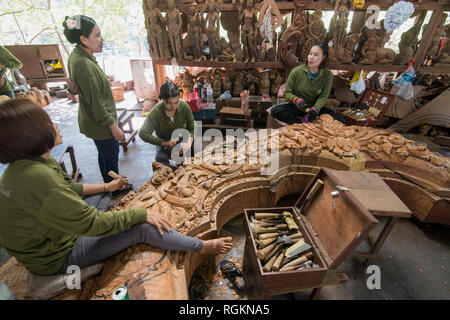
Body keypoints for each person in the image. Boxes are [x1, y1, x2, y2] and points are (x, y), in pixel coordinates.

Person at [0, 98, 233, 277]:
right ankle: (201, 247)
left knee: (114, 206)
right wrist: (142, 214)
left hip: (52, 237)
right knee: (143, 226)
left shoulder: (33, 162)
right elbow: (92, 224)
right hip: (54, 257)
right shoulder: (38, 178)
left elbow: (70, 188)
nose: (57, 124)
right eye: (48, 122)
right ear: (31, 135)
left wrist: (108, 185)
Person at [62, 15, 130, 198]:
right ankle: (116, 190)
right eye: (97, 35)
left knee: (104, 154)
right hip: (99, 123)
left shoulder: (79, 55)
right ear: (83, 39)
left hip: (95, 120)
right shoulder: (83, 63)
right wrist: (113, 126)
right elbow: (96, 103)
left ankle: (109, 184)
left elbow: (80, 88)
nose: (102, 40)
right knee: (111, 154)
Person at [271, 43, 333, 125]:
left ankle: (309, 118)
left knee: (341, 120)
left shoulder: (327, 74)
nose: (311, 57)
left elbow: (324, 96)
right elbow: (287, 93)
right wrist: (296, 99)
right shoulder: (297, 71)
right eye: (310, 54)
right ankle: (299, 123)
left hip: (314, 109)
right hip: (297, 107)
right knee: (275, 111)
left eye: (316, 55)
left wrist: (316, 108)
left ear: (323, 57)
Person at [139, 81, 195, 169]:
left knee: (194, 150)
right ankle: (175, 174)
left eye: (176, 102)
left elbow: (192, 128)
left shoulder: (184, 106)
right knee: (160, 159)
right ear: (162, 100)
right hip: (163, 141)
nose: (173, 106)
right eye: (169, 103)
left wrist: (189, 141)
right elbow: (143, 133)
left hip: (180, 139)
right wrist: (164, 143)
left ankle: (185, 168)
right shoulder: (156, 112)